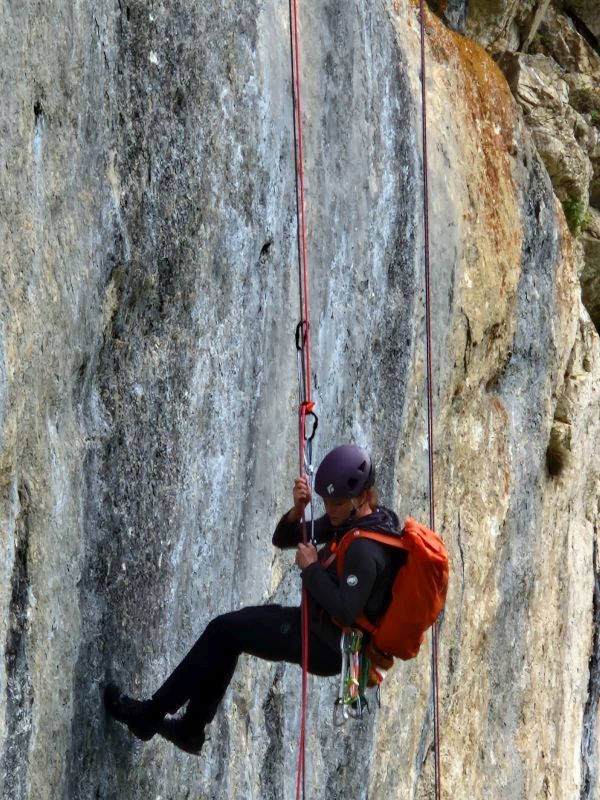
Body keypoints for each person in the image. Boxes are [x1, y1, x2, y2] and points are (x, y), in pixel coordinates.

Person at [104, 444, 403, 754]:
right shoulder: (354, 519)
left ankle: (152, 717)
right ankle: (189, 729)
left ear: (362, 497)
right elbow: (283, 539)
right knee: (228, 633)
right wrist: (296, 512)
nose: (329, 509)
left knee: (225, 631)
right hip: (317, 627)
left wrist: (312, 569)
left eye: (336, 502)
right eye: (326, 501)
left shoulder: (364, 550)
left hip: (325, 646)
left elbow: (344, 611)